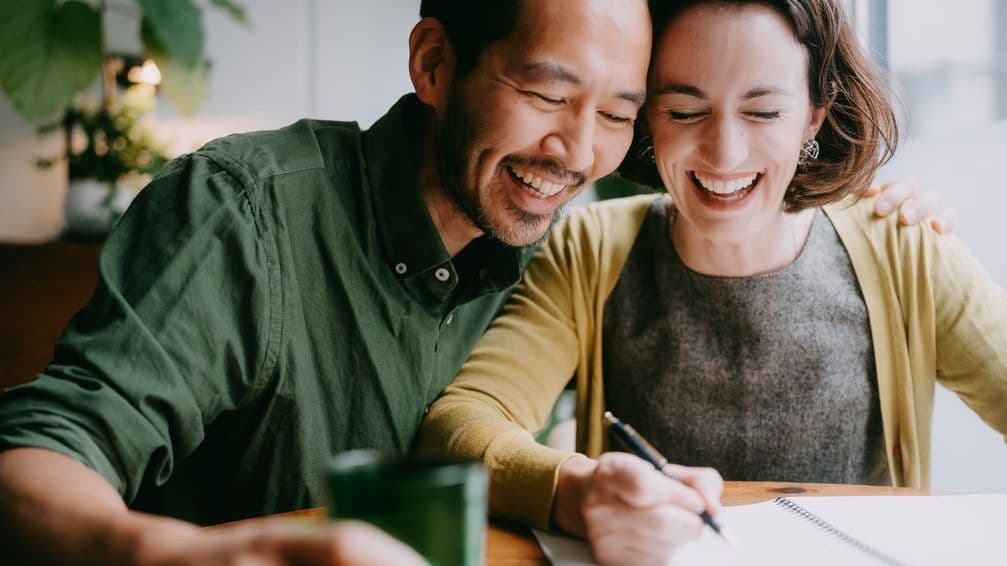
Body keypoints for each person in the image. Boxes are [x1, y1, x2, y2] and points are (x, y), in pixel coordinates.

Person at [0, 1, 946, 564]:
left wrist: (868, 208)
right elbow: (40, 453)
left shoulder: (572, 194)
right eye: (544, 93)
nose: (577, 150)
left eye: (619, 112)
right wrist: (190, 556)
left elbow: (733, 160)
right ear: (435, 63)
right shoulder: (247, 208)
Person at [415, 1, 1007, 565]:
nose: (724, 153)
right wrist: (578, 488)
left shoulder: (903, 245)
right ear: (647, 119)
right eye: (685, 111)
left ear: (814, 116)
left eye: (764, 111)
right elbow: (460, 425)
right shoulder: (588, 250)